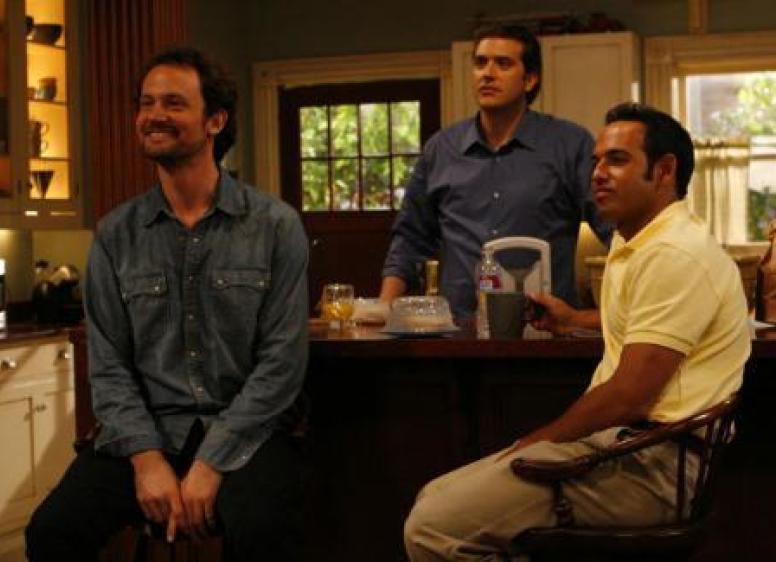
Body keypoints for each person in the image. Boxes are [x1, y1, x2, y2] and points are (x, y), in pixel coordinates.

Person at [403, 102, 751, 562]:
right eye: (596, 161)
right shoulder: (639, 241)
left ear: (665, 171)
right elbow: (645, 322)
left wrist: (539, 442)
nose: (598, 174)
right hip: (627, 449)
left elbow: (630, 395)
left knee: (432, 527)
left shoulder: (675, 253)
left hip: (655, 468)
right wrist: (572, 320)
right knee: (434, 496)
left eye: (617, 160)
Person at [25, 47, 309, 562]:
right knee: (50, 532)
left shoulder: (275, 226)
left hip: (249, 434)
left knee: (262, 529)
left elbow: (281, 365)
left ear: (215, 121)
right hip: (146, 433)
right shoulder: (115, 234)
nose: (154, 115)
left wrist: (212, 461)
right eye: (146, 103)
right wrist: (146, 458)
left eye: (174, 103)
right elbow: (108, 367)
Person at [380, 24, 610, 318]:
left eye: (503, 64)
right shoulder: (442, 149)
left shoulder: (569, 144)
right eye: (480, 63)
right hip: (459, 327)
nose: (487, 74)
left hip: (544, 325)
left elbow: (613, 225)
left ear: (530, 80)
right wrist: (384, 309)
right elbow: (411, 238)